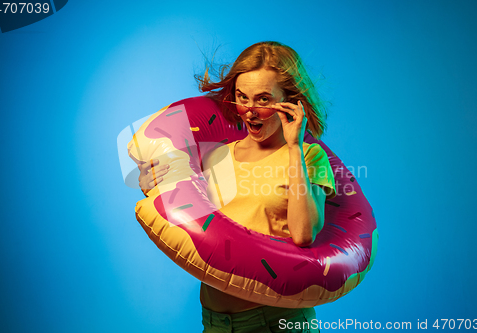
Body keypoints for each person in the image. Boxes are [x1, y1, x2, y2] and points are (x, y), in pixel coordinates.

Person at [138, 41, 335, 333]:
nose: (250, 111)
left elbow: (304, 234)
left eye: (264, 99)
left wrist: (294, 146)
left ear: (291, 101)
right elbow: (191, 217)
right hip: (215, 322)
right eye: (242, 97)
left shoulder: (308, 157)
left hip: (277, 321)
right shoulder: (216, 155)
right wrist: (154, 183)